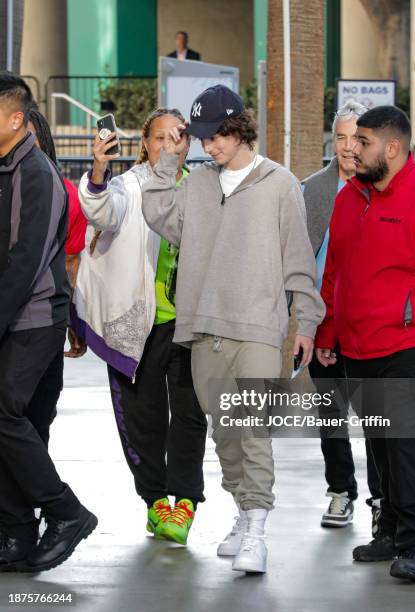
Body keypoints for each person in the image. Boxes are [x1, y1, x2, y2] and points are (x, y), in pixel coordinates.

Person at [141, 85, 325, 573]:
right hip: (202, 328)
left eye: (216, 136)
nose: (209, 147)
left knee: (253, 429)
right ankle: (244, 513)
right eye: (200, 139)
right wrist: (168, 158)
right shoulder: (197, 184)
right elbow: (159, 215)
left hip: (260, 327)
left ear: (239, 128)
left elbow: (299, 260)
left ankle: (258, 533)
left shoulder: (280, 183)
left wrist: (306, 320)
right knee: (225, 434)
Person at [315, 105, 415, 583]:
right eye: (351, 140)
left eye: (364, 141)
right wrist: (327, 332)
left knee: (409, 439)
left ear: (392, 148)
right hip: (359, 346)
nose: (351, 149)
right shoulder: (348, 199)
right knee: (380, 441)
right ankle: (393, 529)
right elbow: (335, 273)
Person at [73, 107, 208, 546]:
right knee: (144, 417)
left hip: (191, 324)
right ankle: (155, 501)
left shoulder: (202, 189)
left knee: (189, 415)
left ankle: (184, 503)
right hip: (138, 327)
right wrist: (98, 167)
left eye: (180, 136)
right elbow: (100, 210)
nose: (171, 144)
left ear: (189, 144)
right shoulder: (127, 188)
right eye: (162, 137)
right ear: (146, 145)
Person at [0, 72, 97, 573]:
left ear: (17, 119)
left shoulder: (34, 174)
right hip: (16, 316)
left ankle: (65, 511)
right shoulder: (7, 168)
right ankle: (15, 534)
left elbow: (26, 261)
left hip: (33, 318)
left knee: (6, 416)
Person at [303, 100, 382, 531]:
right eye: (340, 137)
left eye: (357, 138)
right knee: (331, 415)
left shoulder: (383, 188)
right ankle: (340, 492)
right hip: (321, 324)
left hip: (371, 326)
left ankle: (382, 500)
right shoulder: (312, 191)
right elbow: (298, 262)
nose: (349, 147)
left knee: (375, 417)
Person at [23, 108, 87, 447]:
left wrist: (74, 321)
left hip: (45, 322)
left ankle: (31, 495)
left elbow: (71, 266)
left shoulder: (67, 195)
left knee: (40, 412)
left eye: (30, 138)